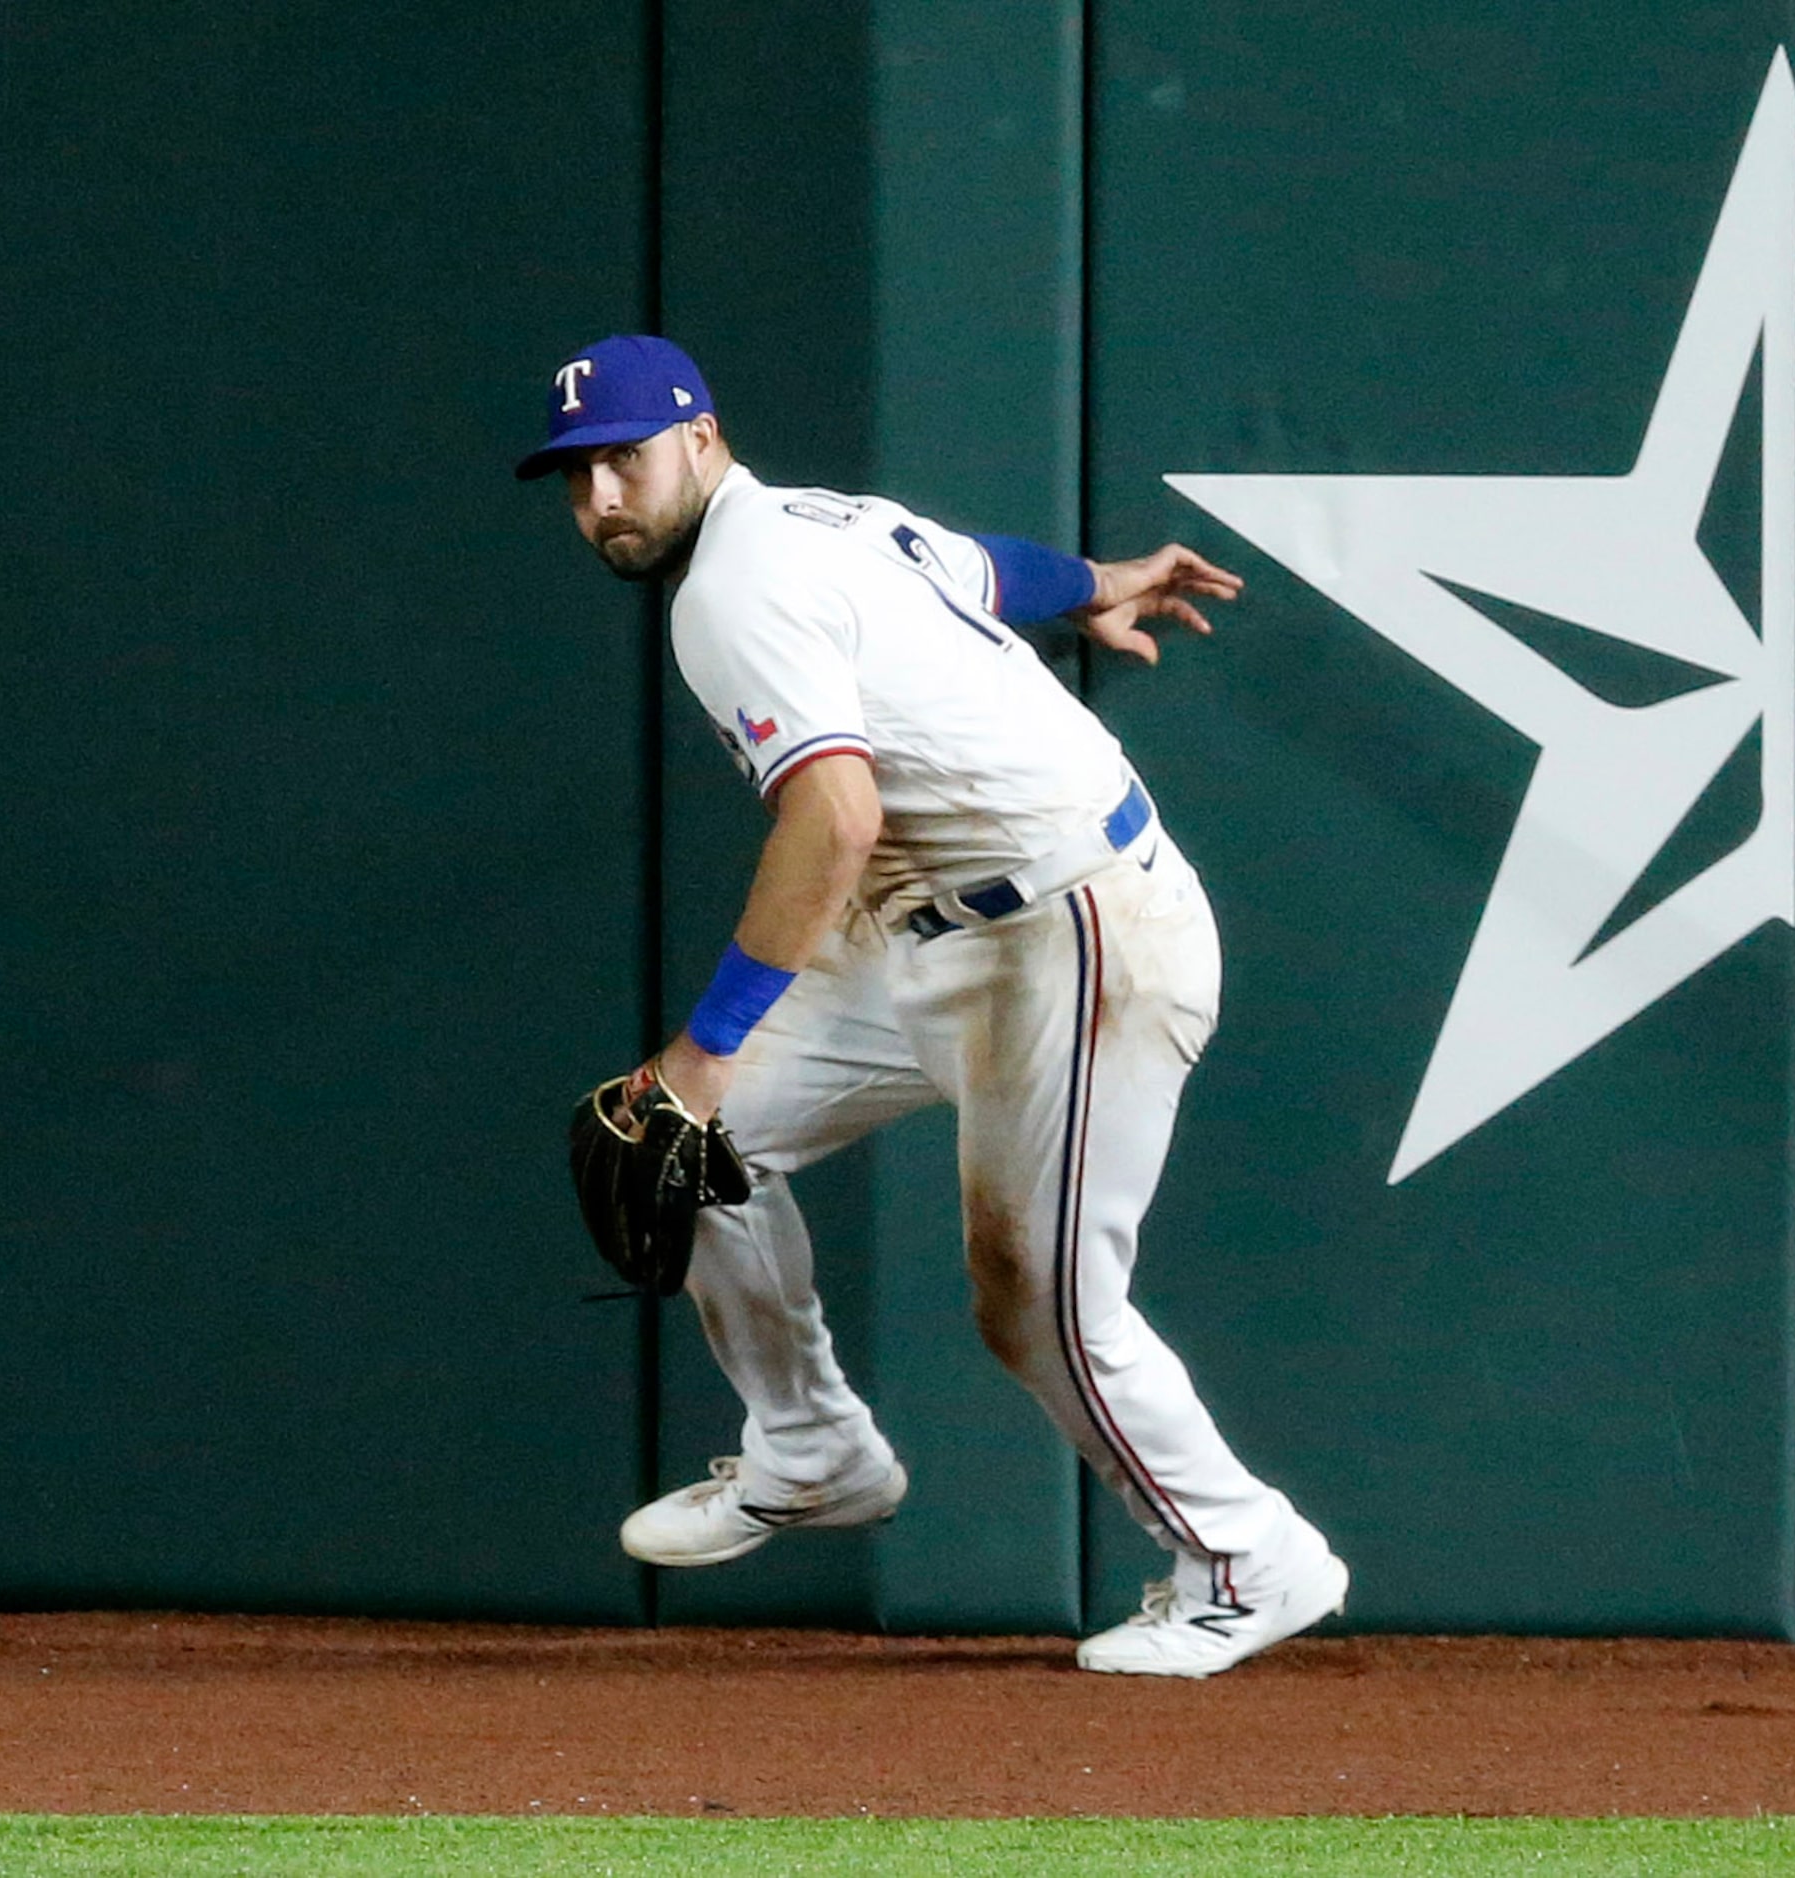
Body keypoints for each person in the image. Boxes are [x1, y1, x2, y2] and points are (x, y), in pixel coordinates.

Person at [517, 334, 1346, 1677]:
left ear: (703, 438)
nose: (603, 496)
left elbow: (834, 818)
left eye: (625, 457)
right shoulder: (822, 521)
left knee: (1041, 1306)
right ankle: (812, 1449)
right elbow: (981, 568)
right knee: (678, 1139)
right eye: (577, 475)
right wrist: (1094, 586)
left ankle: (1247, 1557)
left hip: (1071, 929)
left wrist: (710, 1041)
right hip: (932, 920)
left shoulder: (734, 586)